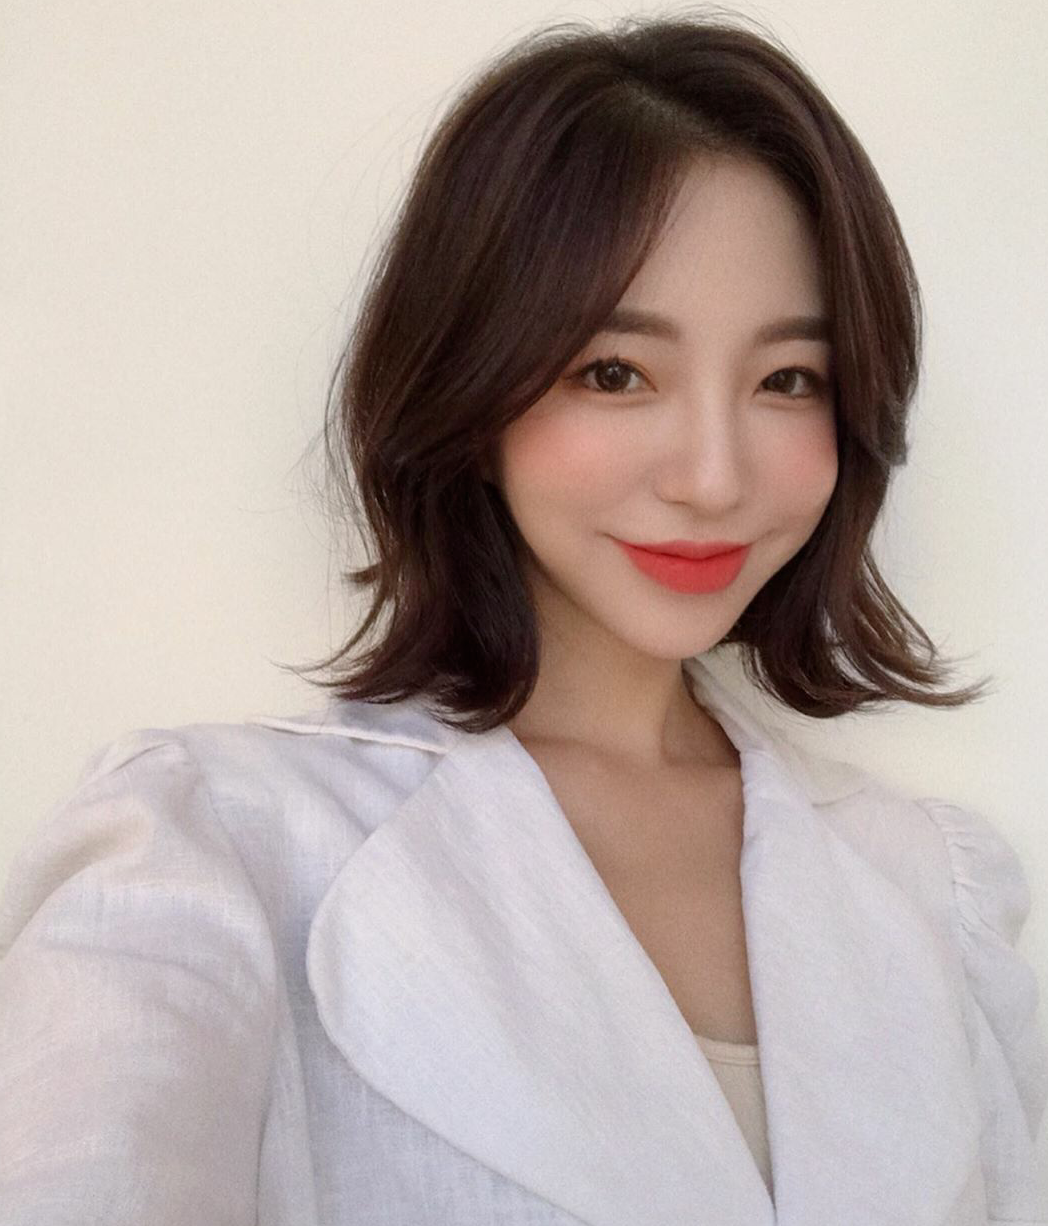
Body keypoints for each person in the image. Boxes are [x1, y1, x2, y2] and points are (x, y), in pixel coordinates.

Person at [1, 10, 1045, 1225]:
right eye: (614, 372)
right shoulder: (217, 853)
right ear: (470, 381)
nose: (712, 476)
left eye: (786, 379)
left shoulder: (932, 885)